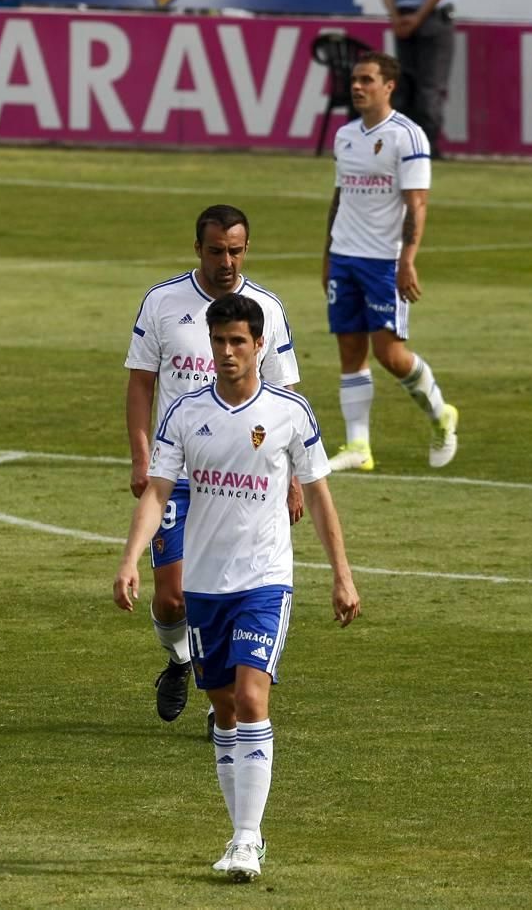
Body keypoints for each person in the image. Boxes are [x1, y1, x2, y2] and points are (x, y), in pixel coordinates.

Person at [114, 293, 360, 882]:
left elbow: (320, 496)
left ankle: (247, 839)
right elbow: (157, 492)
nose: (226, 353)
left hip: (264, 581)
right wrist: (129, 560)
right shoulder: (184, 415)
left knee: (251, 700)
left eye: (238, 343)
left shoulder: (290, 413)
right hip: (203, 585)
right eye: (219, 342)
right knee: (224, 711)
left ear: (258, 347)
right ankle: (240, 831)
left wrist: (342, 575)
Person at [124, 205, 302, 728]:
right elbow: (141, 383)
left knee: (231, 588)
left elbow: (286, 400)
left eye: (236, 250)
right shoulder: (163, 302)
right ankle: (180, 662)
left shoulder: (265, 308)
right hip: (178, 473)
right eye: (217, 250)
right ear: (197, 249)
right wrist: (141, 458)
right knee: (173, 597)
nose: (227, 261)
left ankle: (218, 704)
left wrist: (292, 478)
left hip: (243, 480)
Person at [321, 49, 458, 473]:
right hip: (344, 256)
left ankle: (441, 414)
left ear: (389, 86)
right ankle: (359, 446)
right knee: (349, 347)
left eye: (367, 80)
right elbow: (340, 195)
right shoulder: (345, 136)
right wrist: (326, 254)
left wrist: (408, 260)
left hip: (383, 261)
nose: (357, 86)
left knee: (390, 354)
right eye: (355, 80)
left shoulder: (408, 136)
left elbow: (417, 204)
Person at [382, 0, 456, 160]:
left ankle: (406, 146)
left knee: (406, 87)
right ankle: (426, 147)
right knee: (430, 87)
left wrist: (395, 18)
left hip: (402, 15)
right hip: (432, 16)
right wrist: (418, 18)